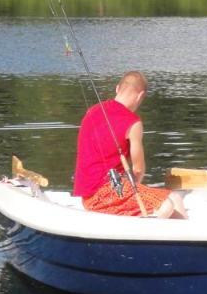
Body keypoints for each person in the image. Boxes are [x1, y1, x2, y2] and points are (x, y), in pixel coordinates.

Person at [73, 71, 187, 218]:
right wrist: (134, 190)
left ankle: (180, 239)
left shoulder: (91, 111)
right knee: (166, 205)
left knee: (175, 198)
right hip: (105, 196)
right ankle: (146, 237)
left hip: (87, 197)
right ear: (140, 96)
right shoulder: (133, 123)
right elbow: (138, 169)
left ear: (117, 88)